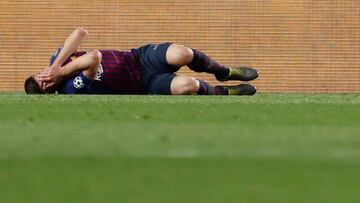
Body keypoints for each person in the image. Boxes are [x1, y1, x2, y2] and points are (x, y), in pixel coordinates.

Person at [24, 28, 259, 95]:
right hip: (144, 84)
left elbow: (80, 33)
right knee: (188, 86)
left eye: (40, 74)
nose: (46, 76)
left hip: (139, 57)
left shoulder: (57, 62)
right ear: (48, 90)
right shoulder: (70, 88)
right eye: (44, 82)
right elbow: (94, 57)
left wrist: (57, 65)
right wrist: (61, 73)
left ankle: (223, 71)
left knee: (182, 53)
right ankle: (226, 92)